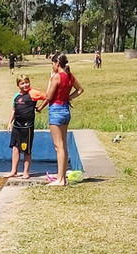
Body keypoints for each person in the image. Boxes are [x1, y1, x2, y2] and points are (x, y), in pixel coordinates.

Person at [44, 53, 84, 186]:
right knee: (64, 146)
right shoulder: (69, 76)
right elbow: (80, 90)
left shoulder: (56, 77)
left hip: (55, 111)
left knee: (58, 146)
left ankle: (60, 179)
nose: (52, 67)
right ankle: (62, 177)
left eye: (52, 64)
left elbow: (49, 96)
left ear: (57, 63)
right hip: (66, 110)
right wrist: (69, 97)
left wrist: (50, 81)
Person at [6, 75, 46, 179]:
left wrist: (40, 107)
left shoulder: (33, 93)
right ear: (18, 85)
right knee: (15, 148)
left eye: (27, 82)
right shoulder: (16, 96)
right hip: (17, 126)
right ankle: (14, 171)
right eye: (22, 83)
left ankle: (26, 172)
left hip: (27, 127)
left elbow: (47, 97)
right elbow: (13, 110)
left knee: (26, 150)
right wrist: (9, 123)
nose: (25, 85)